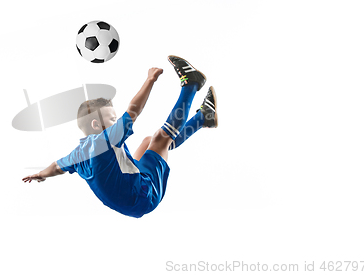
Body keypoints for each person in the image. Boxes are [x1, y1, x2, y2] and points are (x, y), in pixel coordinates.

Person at [22, 56, 218, 218]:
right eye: (112, 118)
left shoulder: (78, 154)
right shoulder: (104, 140)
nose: (116, 122)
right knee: (161, 139)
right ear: (96, 124)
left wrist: (40, 175)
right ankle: (191, 84)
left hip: (131, 194)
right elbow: (134, 111)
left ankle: (203, 118)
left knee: (148, 142)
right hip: (143, 195)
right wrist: (150, 80)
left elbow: (56, 167)